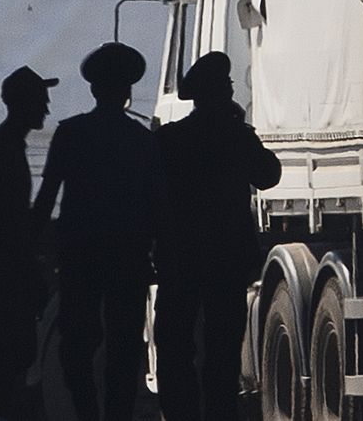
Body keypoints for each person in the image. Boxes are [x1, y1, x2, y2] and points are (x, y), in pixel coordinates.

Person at [32, 42, 167, 421]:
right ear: (127, 92)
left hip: (80, 258)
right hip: (129, 258)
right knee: (124, 347)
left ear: (93, 89)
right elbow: (159, 207)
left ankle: (87, 412)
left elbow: (46, 199)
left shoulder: (70, 134)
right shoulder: (142, 141)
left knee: (75, 346)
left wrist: (30, 247)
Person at [154, 51, 281, 421]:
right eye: (226, 86)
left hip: (180, 261)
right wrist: (242, 130)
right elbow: (268, 175)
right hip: (226, 262)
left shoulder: (170, 139)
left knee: (176, 350)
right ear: (220, 94)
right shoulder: (235, 136)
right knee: (223, 352)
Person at [0, 66, 56, 419]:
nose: (47, 108)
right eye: (41, 100)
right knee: (13, 358)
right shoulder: (3, 152)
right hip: (8, 280)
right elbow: (11, 227)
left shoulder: (0, 147)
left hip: (4, 276)